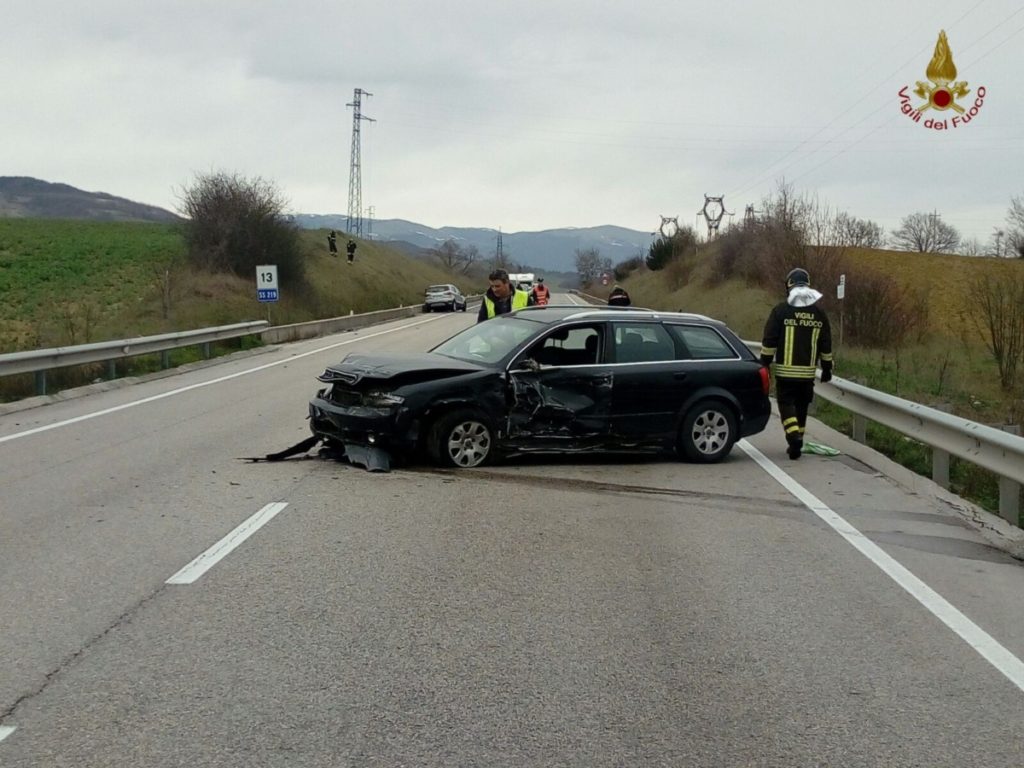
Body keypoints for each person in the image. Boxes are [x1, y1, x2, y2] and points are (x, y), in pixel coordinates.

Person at [759, 267, 834, 460]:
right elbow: (826, 345)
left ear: (789, 286)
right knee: (801, 407)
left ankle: (793, 437)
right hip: (807, 374)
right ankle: (797, 441)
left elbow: (769, 341)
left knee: (786, 404)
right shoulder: (819, 314)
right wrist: (827, 369)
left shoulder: (781, 311)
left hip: (785, 373)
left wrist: (764, 363)